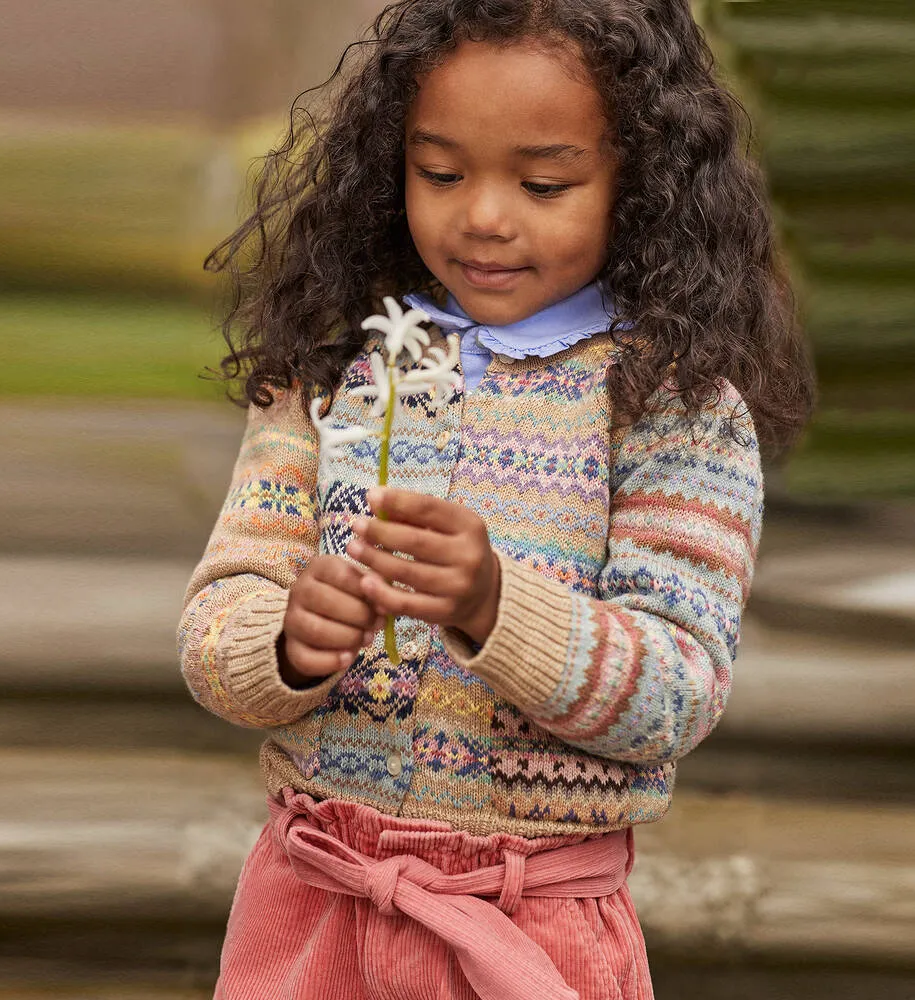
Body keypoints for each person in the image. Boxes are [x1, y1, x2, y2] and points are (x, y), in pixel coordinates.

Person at [178, 1, 814, 997]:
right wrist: (287, 640)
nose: (481, 214)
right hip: (314, 905)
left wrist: (491, 605)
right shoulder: (333, 372)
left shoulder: (671, 405)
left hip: (530, 927)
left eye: (543, 181)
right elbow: (217, 625)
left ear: (638, 184)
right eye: (439, 171)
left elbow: (676, 688)